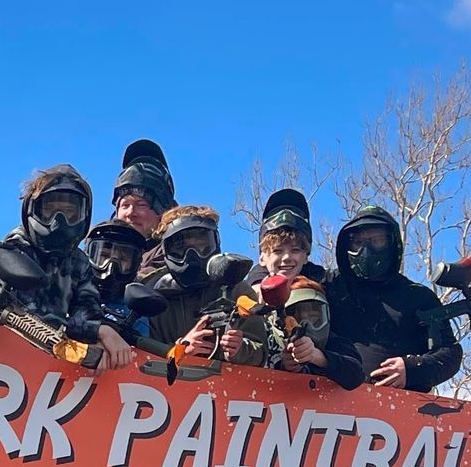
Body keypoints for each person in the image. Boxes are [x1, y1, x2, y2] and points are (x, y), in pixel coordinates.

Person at [0, 165, 132, 370]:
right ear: (31, 211)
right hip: (2, 359)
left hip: (48, 370)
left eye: (70, 212)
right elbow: (25, 316)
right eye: (49, 211)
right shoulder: (16, 249)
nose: (59, 221)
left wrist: (98, 334)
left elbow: (87, 312)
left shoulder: (79, 262)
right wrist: (97, 331)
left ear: (84, 215)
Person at [325, 204, 461, 391]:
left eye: (376, 240)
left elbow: (450, 354)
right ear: (346, 247)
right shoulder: (330, 286)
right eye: (358, 242)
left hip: (397, 411)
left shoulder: (418, 297)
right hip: (326, 406)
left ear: (392, 243)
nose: (366, 250)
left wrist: (412, 368)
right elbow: (290, 264)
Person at [142, 204, 260, 366]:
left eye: (202, 246)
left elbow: (261, 350)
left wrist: (240, 349)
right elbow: (138, 353)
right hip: (161, 388)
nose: (193, 256)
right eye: (181, 248)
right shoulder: (150, 293)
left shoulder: (235, 288)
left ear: (216, 243)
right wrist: (180, 350)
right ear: (166, 250)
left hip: (226, 387)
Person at [264, 276, 364, 389]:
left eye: (314, 316)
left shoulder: (335, 342)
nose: (306, 325)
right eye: (297, 316)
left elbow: (355, 375)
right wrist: (285, 366)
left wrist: (317, 356)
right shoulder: (268, 342)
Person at [112, 139, 176, 279]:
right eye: (125, 205)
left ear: (162, 212)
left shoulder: (177, 255)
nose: (130, 213)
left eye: (141, 205)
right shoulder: (99, 252)